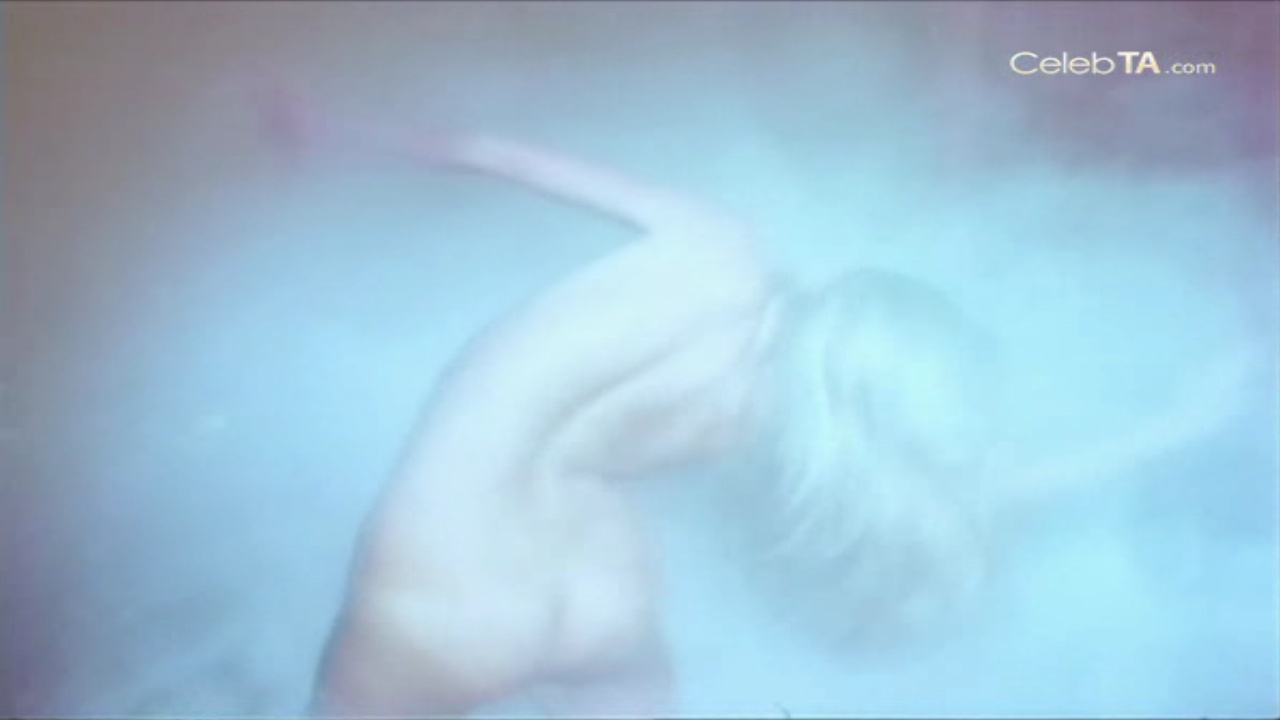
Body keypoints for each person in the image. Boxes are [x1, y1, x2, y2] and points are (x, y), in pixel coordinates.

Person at [255, 85, 1260, 718]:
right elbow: (965, 493)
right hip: (605, 595)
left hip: (450, 585)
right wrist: (1174, 426)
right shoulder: (772, 422)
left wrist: (340, 134)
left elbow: (496, 152)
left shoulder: (716, 248)